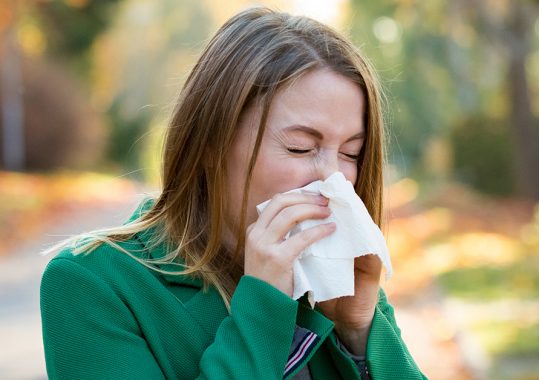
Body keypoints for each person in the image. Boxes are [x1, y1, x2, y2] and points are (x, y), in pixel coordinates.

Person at [39, 6, 426, 380]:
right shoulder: (94, 285)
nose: (332, 179)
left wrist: (360, 338)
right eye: (300, 147)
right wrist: (262, 306)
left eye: (350, 154)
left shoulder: (335, 281)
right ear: (211, 142)